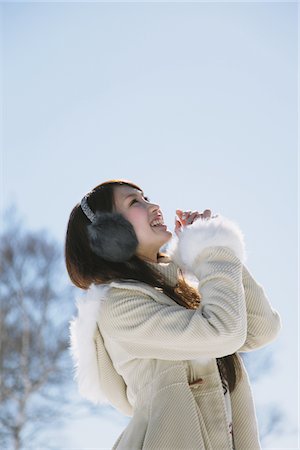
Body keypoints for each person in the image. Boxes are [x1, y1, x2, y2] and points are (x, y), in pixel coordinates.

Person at [65, 179, 281, 450]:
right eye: (135, 202)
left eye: (147, 198)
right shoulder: (118, 307)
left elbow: (262, 328)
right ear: (109, 234)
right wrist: (212, 249)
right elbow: (224, 331)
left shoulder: (182, 290)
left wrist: (208, 248)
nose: (153, 206)